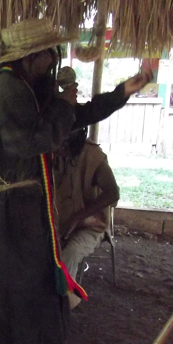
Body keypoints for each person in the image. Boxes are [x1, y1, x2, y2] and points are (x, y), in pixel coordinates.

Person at [0, 17, 153, 344]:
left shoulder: (27, 86)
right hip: (9, 208)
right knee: (14, 279)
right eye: (49, 54)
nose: (54, 60)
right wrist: (64, 103)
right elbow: (32, 142)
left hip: (20, 205)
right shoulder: (10, 90)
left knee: (22, 277)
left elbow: (72, 117)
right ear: (30, 56)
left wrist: (121, 93)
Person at [54, 128, 119, 309]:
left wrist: (77, 218)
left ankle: (63, 305)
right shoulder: (49, 150)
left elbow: (113, 193)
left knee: (70, 254)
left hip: (89, 225)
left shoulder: (92, 154)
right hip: (57, 222)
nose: (60, 149)